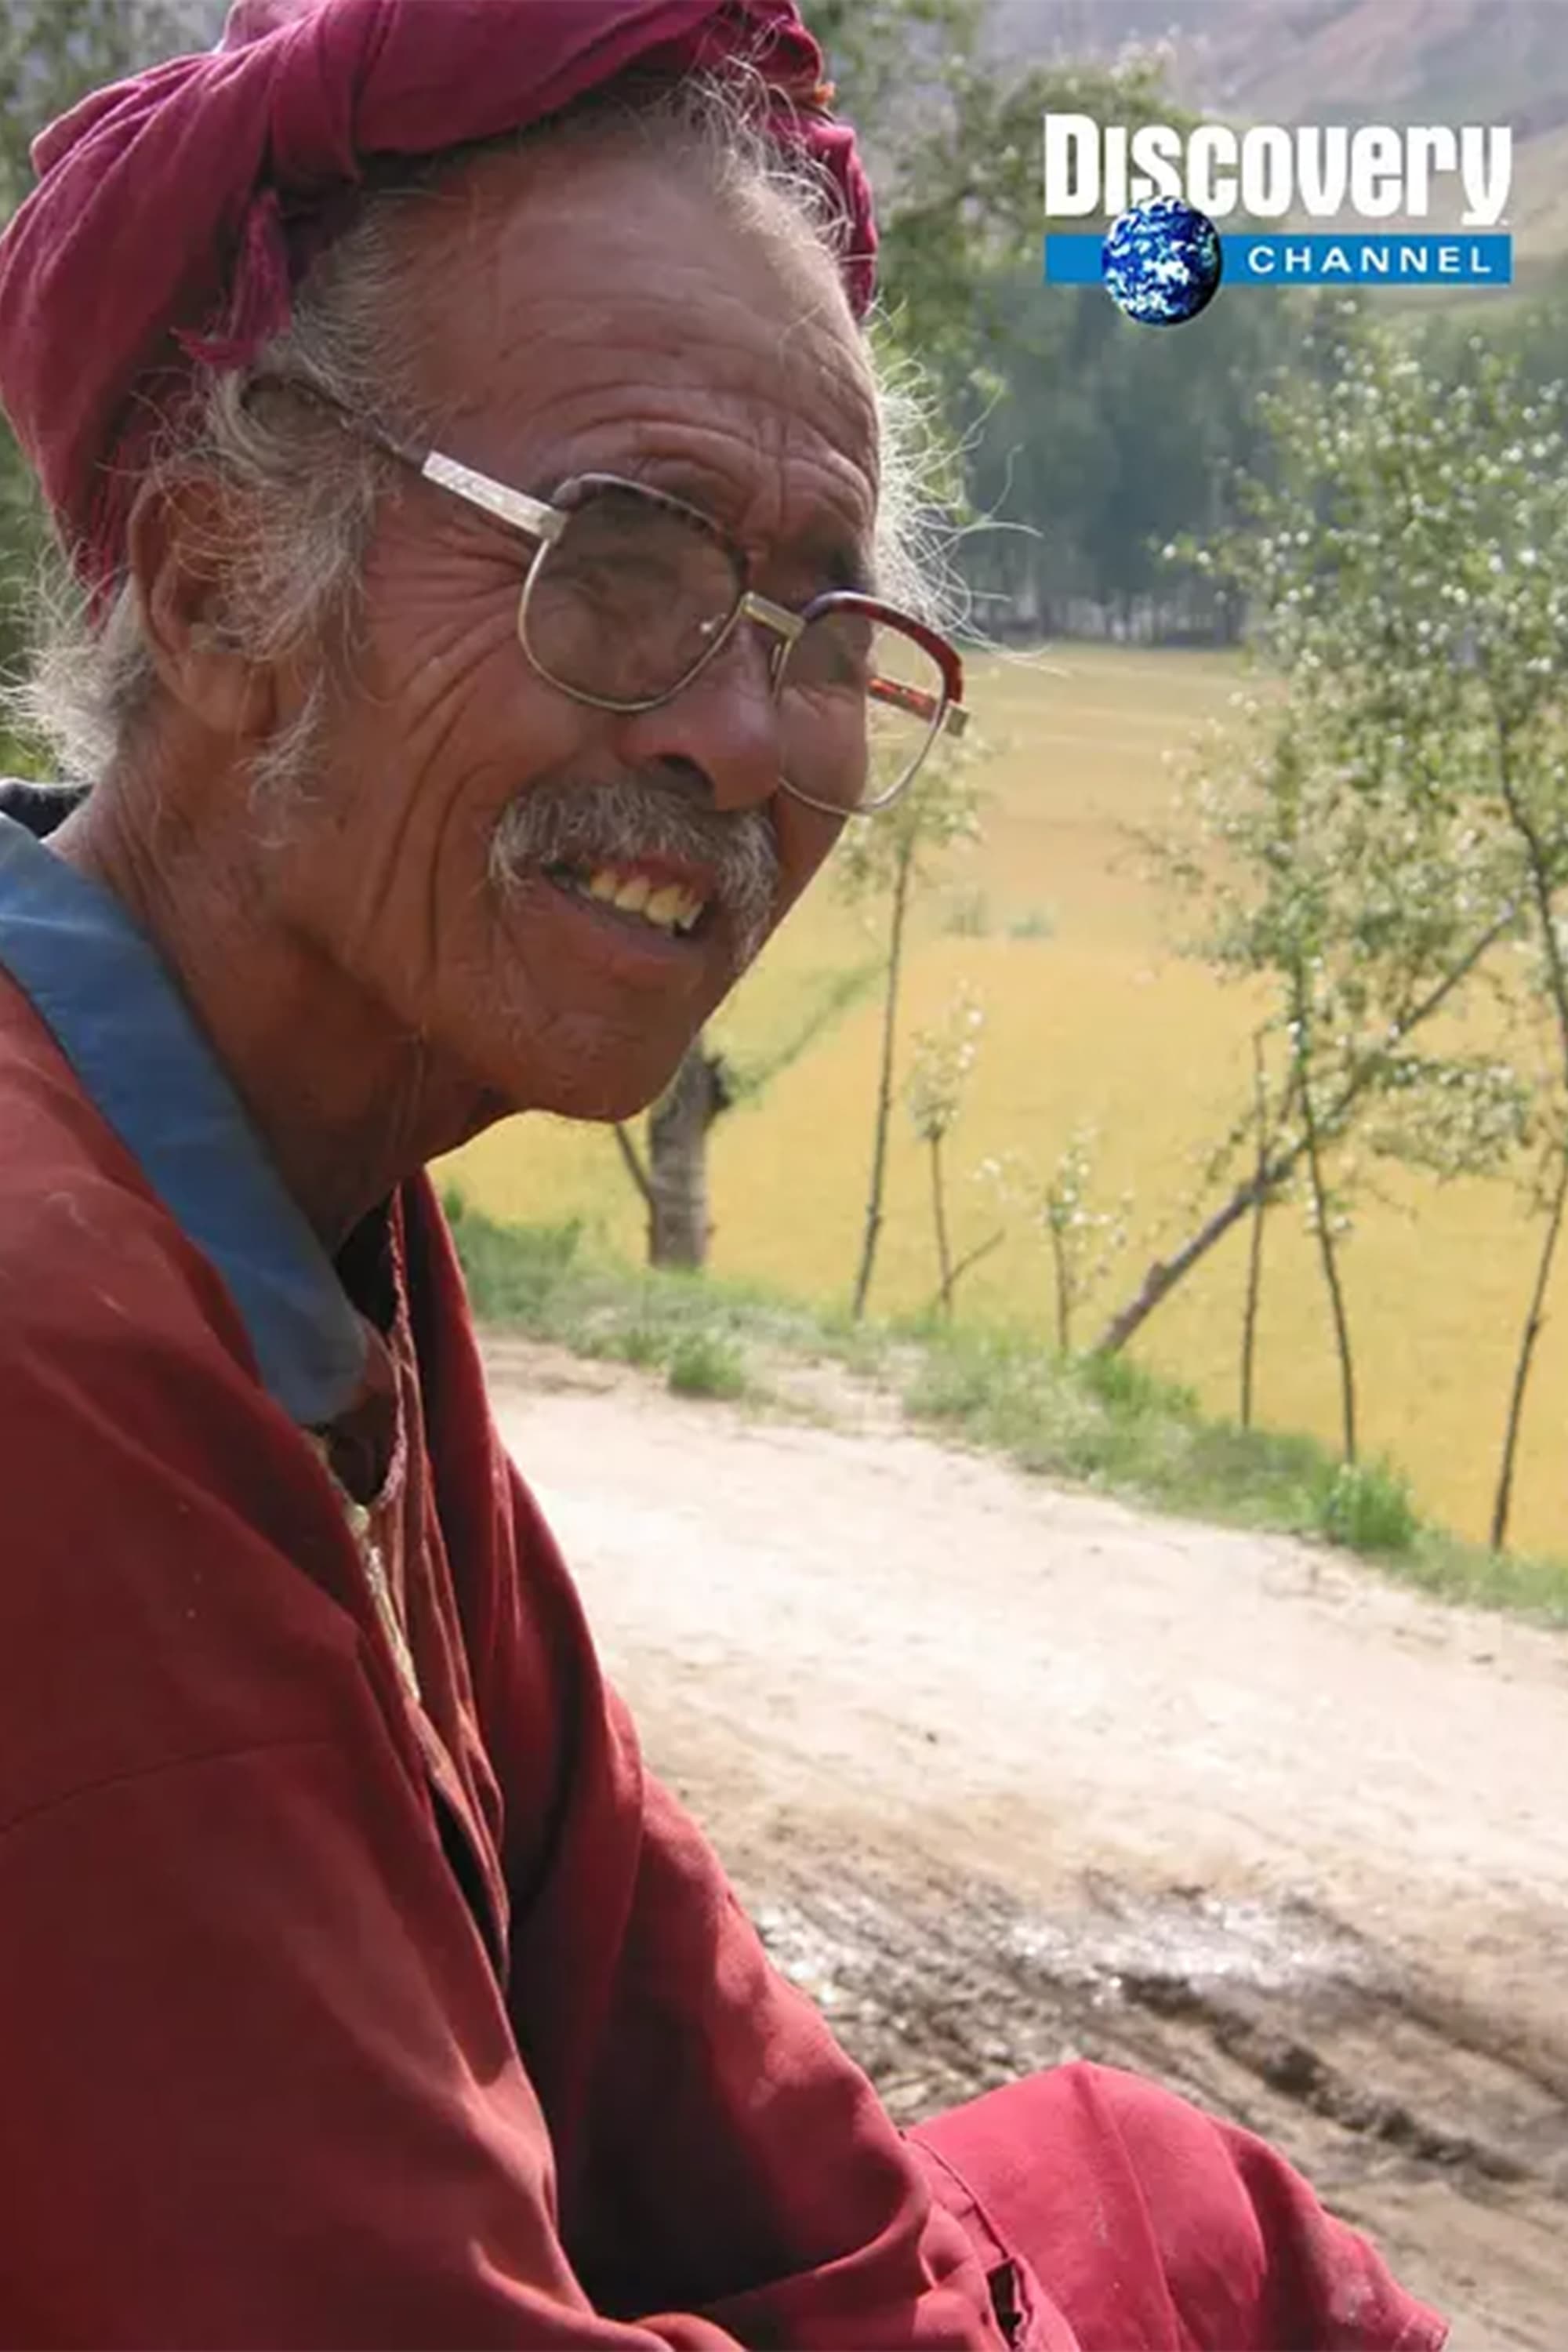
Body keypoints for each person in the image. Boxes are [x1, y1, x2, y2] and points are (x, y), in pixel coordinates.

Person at [0, 3, 1446, 2347]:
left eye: (816, 621)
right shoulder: (52, 1350)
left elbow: (692, 2060)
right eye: (620, 561)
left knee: (1174, 2205)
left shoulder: (298, 1199)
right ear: (211, 587)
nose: (745, 732)